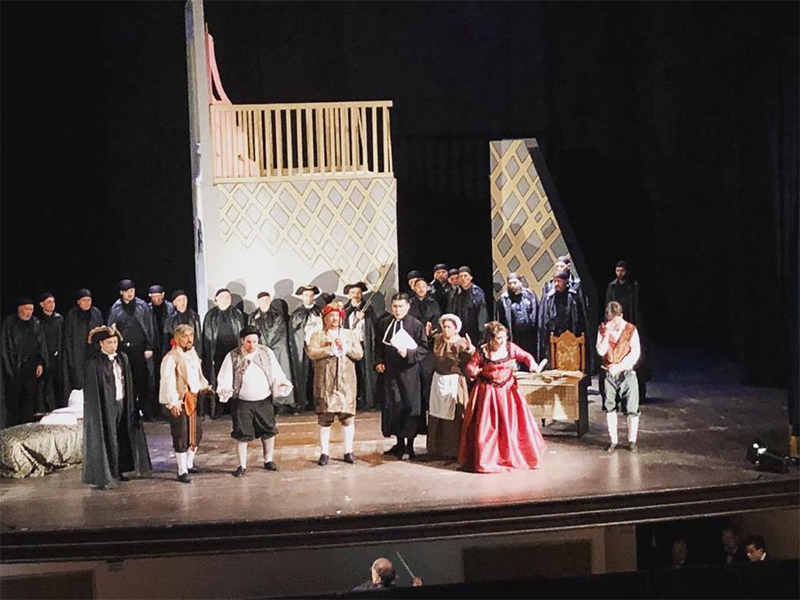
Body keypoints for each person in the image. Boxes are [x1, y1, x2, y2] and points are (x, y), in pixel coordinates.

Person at [459, 321, 547, 473]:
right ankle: (487, 459)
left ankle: (511, 456)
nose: (502, 341)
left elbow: (526, 356)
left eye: (504, 337)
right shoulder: (483, 351)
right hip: (488, 393)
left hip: (507, 393)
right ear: (490, 339)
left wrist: (532, 364)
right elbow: (471, 365)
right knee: (486, 427)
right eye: (498, 338)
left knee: (511, 424)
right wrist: (473, 370)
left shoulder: (509, 348)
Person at [216, 325, 293, 476]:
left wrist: (281, 383)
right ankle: (242, 465)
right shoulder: (233, 356)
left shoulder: (266, 353)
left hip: (263, 400)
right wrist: (224, 388)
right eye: (248, 342)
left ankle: (268, 460)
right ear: (242, 341)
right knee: (241, 433)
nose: (252, 345)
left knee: (268, 430)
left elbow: (276, 372)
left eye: (255, 342)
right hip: (242, 402)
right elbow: (225, 376)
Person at [82, 325, 152, 488]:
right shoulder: (94, 363)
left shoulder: (122, 358)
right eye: (109, 342)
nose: (113, 345)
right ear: (101, 343)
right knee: (108, 436)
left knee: (121, 435)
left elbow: (128, 381)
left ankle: (120, 470)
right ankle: (106, 474)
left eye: (115, 342)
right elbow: (93, 392)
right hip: (106, 406)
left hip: (122, 402)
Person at [306, 302, 363, 465]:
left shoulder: (349, 334)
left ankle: (348, 451)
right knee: (325, 418)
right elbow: (312, 352)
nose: (334, 319)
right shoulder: (317, 335)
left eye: (337, 316)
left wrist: (346, 347)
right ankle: (324, 452)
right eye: (330, 316)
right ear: (325, 318)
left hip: (346, 382)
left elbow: (359, 354)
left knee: (348, 417)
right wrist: (329, 349)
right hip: (326, 383)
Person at [375, 293, 428, 460]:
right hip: (390, 373)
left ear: (408, 306)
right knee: (394, 406)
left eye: (401, 306)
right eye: (395, 307)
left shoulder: (416, 325)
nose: (397, 310)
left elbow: (423, 348)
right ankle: (399, 443)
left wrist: (409, 353)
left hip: (409, 373)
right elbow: (378, 345)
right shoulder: (385, 323)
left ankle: (409, 446)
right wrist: (379, 361)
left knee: (409, 406)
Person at [159, 324, 214, 483]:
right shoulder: (171, 358)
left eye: (191, 335)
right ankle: (182, 470)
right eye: (185, 336)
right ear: (176, 339)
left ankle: (189, 463)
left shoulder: (193, 354)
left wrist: (205, 386)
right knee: (181, 434)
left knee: (196, 433)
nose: (189, 339)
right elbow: (168, 381)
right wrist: (173, 402)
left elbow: (197, 375)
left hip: (195, 398)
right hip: (180, 400)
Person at [107, 279, 156, 420]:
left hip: (139, 348)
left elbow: (149, 327)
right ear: (121, 293)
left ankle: (147, 412)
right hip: (123, 349)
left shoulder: (142, 306)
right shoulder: (116, 308)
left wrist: (149, 347)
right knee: (127, 381)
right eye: (127, 291)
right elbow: (111, 329)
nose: (130, 294)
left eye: (132, 291)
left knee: (142, 380)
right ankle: (130, 413)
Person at [427, 314, 474, 459]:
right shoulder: (438, 339)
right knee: (436, 414)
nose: (445, 330)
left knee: (454, 415)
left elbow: (468, 360)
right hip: (438, 380)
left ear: (455, 328)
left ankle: (452, 451)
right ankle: (436, 449)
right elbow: (429, 347)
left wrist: (470, 350)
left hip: (454, 381)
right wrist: (428, 336)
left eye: (448, 327)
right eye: (444, 327)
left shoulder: (461, 343)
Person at [596, 301, 641, 453]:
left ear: (620, 316)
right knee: (610, 407)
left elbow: (635, 353)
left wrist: (620, 366)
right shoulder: (603, 330)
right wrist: (606, 334)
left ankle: (632, 440)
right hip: (609, 374)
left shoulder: (631, 330)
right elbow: (601, 351)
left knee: (632, 408)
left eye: (615, 320)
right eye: (610, 320)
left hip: (626, 373)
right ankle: (613, 440)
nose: (613, 323)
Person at [605, 260, 648, 402]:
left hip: (631, 326)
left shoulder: (633, 286)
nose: (620, 273)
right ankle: (617, 396)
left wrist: (637, 326)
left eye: (622, 270)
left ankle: (637, 395)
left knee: (634, 361)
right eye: (617, 270)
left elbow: (638, 307)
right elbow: (608, 307)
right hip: (617, 328)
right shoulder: (612, 287)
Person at [1, 299, 48, 426]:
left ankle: (26, 425)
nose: (29, 312)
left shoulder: (35, 323)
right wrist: (9, 369)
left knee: (30, 397)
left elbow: (41, 345)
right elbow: (6, 348)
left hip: (32, 365)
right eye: (27, 309)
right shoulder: (9, 323)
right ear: (19, 309)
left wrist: (40, 363)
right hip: (16, 366)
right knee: (15, 399)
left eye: (31, 310)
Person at [201, 288, 246, 419]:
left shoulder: (237, 314)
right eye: (222, 297)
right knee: (219, 380)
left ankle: (235, 408)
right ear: (216, 300)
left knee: (235, 379)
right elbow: (207, 338)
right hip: (217, 354)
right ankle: (218, 408)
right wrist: (208, 356)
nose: (225, 300)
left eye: (228, 297)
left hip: (234, 353)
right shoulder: (210, 316)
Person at [250, 291, 296, 413]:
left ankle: (281, 403)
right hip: (260, 350)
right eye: (262, 300)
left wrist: (266, 346)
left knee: (279, 375)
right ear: (258, 302)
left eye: (267, 300)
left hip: (277, 349)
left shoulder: (277, 315)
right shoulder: (253, 317)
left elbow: (276, 332)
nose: (264, 302)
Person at [62, 289, 104, 401]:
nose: (87, 303)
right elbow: (68, 338)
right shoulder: (71, 316)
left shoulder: (96, 313)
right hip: (78, 355)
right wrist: (70, 359)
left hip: (94, 353)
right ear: (78, 302)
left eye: (89, 300)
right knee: (79, 383)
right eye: (84, 300)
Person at [538, 270, 586, 366]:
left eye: (559, 281)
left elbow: (579, 317)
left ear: (565, 281)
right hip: (555, 336)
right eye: (554, 281)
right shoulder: (550, 297)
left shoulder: (573, 296)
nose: (556, 284)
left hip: (571, 335)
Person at [343, 282, 378, 410]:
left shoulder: (368, 309)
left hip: (363, 344)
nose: (356, 295)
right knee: (350, 374)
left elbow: (374, 327)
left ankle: (367, 400)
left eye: (358, 293)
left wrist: (366, 317)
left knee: (365, 373)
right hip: (349, 346)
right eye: (353, 293)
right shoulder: (344, 310)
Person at [290, 285, 323, 411]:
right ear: (302, 297)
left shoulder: (320, 311)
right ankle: (303, 401)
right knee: (303, 373)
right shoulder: (297, 313)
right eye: (306, 295)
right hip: (303, 346)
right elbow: (294, 332)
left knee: (318, 374)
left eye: (311, 295)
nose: (308, 298)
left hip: (317, 346)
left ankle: (318, 401)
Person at [495, 272, 539, 361]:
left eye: (514, 283)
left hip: (529, 335)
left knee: (530, 358)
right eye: (510, 283)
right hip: (513, 335)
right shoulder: (503, 299)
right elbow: (500, 320)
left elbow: (537, 314)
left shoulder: (530, 295)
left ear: (520, 282)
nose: (512, 286)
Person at [447, 266, 488, 344]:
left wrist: (482, 333)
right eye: (461, 276)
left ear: (470, 278)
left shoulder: (477, 292)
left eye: (465, 276)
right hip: (458, 331)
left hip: (474, 331)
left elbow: (482, 313)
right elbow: (450, 312)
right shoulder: (454, 294)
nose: (463, 278)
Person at [148, 285, 175, 398]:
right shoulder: (147, 309)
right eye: (153, 297)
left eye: (158, 296)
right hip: (154, 345)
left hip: (167, 344)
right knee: (153, 375)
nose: (156, 299)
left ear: (163, 295)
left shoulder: (170, 308)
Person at [38, 293, 64, 411]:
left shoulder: (59, 319)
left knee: (58, 383)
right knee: (45, 385)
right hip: (45, 357)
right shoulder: (38, 321)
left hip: (58, 357)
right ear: (41, 304)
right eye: (48, 302)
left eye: (53, 302)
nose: (52, 305)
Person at [163, 290, 202, 355]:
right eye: (179, 300)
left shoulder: (194, 316)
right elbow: (166, 340)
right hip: (176, 353)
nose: (182, 302)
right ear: (174, 303)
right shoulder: (170, 319)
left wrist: (198, 354)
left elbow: (198, 338)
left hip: (191, 352)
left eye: (184, 299)